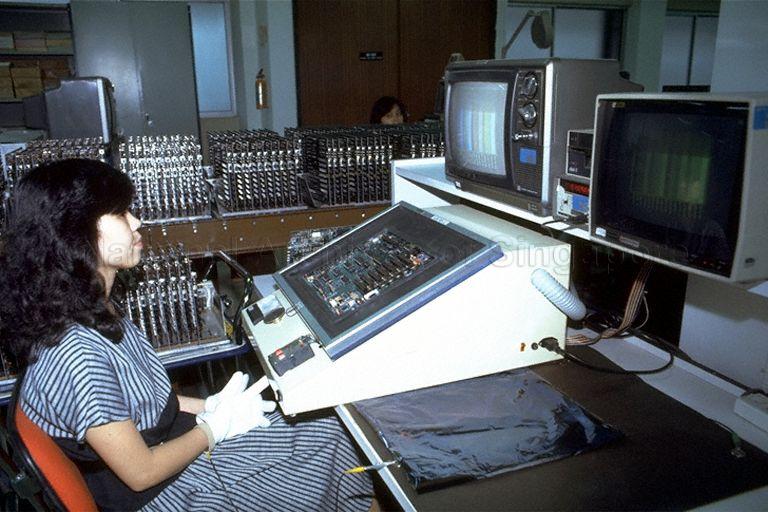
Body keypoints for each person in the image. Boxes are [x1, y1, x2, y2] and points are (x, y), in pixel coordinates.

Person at [0, 159, 373, 512]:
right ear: (76, 234)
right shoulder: (76, 353)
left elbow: (140, 401)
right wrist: (214, 429)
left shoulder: (92, 305)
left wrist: (210, 406)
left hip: (171, 449)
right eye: (121, 213)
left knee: (329, 421)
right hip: (167, 495)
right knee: (334, 440)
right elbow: (141, 472)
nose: (137, 221)